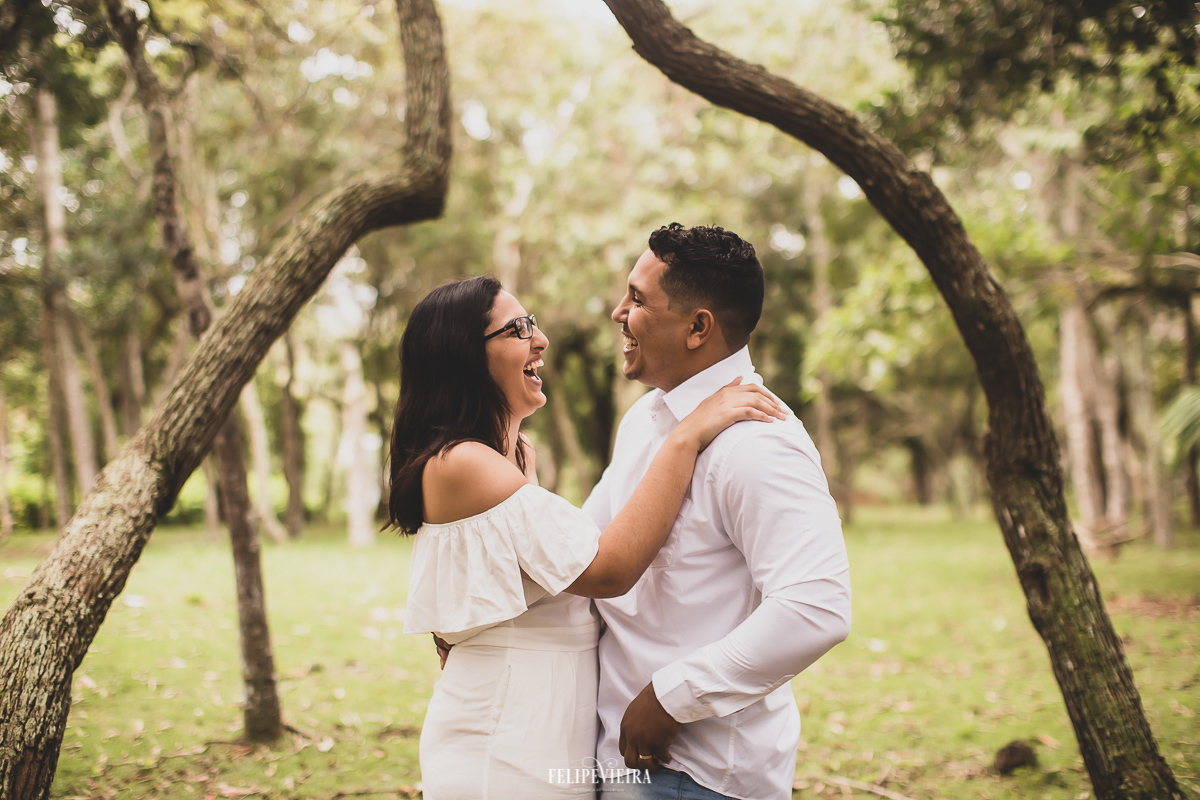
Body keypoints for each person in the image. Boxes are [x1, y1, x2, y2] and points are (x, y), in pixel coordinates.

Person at [389, 275, 786, 799]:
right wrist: (685, 437)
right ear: (463, 356)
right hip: (502, 732)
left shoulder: (517, 456)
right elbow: (607, 570)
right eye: (516, 329)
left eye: (531, 322)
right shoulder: (462, 464)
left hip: (560, 731)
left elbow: (560, 561)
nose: (540, 339)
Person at [585, 224, 852, 800]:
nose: (617, 312)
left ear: (698, 327)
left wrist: (673, 696)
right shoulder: (644, 421)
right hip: (618, 757)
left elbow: (816, 605)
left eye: (636, 298)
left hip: (696, 773)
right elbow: (587, 548)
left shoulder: (759, 442)